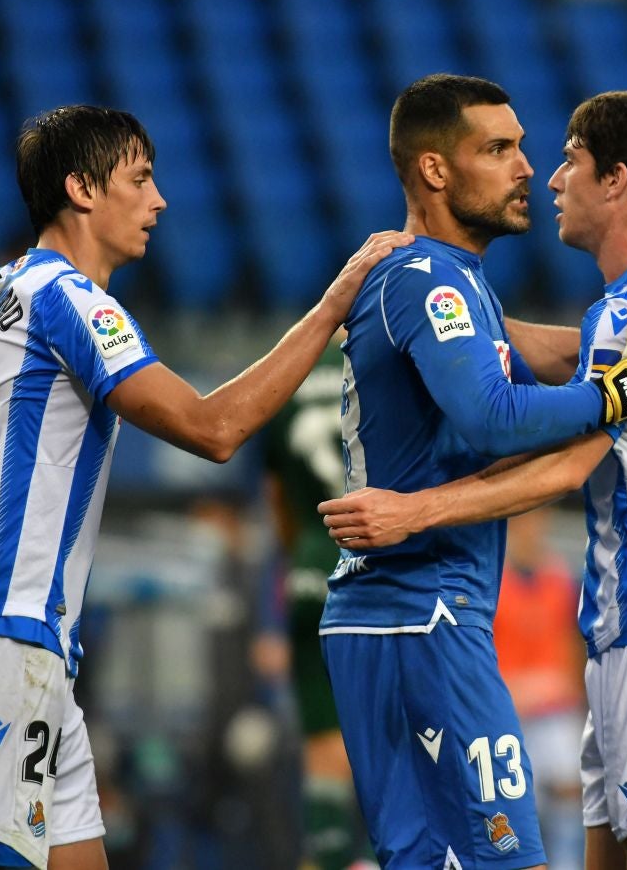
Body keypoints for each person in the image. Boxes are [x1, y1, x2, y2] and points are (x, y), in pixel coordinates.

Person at [0, 104, 411, 870]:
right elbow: (214, 429)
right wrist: (334, 305)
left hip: (19, 646)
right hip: (0, 640)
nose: (159, 200)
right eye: (140, 178)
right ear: (82, 190)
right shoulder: (72, 301)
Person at [319, 89, 627, 870]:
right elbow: (577, 379)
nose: (545, 177)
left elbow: (557, 455)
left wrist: (415, 510)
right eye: (508, 150)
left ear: (614, 181)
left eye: (568, 159)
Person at [258, 338, 375, 869]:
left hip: (309, 567)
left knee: (324, 752)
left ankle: (325, 860)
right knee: (390, 743)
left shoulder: (291, 375)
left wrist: (304, 552)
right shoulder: (387, 364)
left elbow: (275, 499)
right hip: (379, 566)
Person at [491, 509, 586, 870]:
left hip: (555, 706)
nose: (532, 530)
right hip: (509, 710)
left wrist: (575, 697)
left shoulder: (559, 575)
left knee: (567, 799)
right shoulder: (494, 579)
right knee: (517, 813)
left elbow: (570, 643)